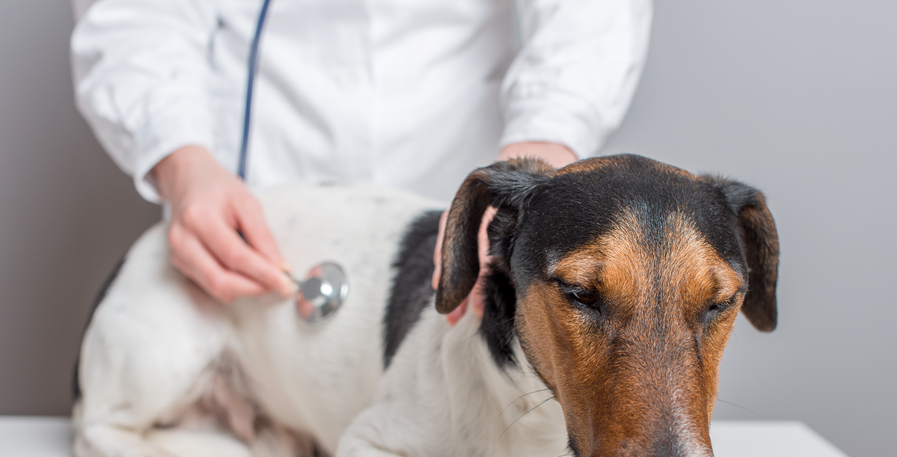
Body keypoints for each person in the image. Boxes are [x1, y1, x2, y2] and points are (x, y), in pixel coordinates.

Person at [71, 0, 652, 312]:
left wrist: (532, 162)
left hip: (455, 193)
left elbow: (589, 12)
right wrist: (182, 163)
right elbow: (138, 13)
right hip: (260, 211)